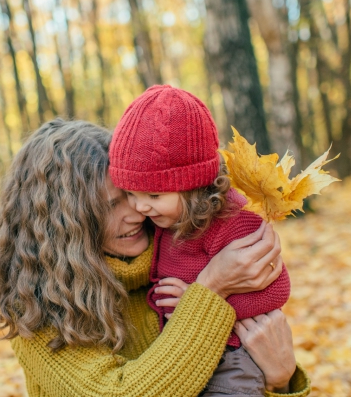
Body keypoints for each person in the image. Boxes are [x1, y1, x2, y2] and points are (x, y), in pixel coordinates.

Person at [0, 118, 310, 396]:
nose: (135, 213)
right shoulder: (34, 308)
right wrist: (210, 291)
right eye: (109, 206)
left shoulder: (186, 257)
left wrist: (280, 381)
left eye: (133, 195)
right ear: (63, 227)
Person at [109, 85, 291, 396]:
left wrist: (200, 302)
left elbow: (275, 291)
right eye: (130, 194)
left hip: (232, 359)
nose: (140, 207)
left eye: (153, 195)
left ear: (194, 187)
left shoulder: (232, 223)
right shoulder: (164, 220)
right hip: (184, 354)